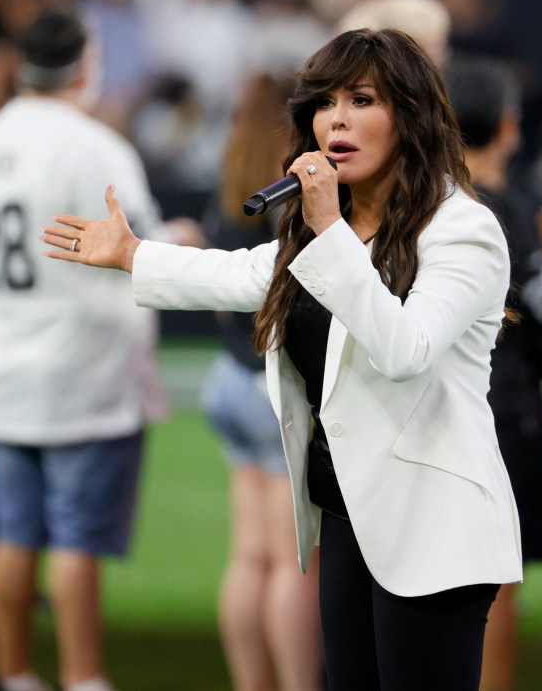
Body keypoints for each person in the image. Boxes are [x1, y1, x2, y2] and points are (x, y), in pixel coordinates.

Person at [44, 28, 523, 691]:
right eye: (325, 103)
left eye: (362, 99)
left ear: (411, 115)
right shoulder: (338, 227)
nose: (337, 119)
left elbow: (404, 348)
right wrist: (132, 254)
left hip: (433, 526)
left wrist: (328, 231)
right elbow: (244, 274)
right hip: (350, 515)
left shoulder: (462, 229)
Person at [0, 7, 196, 691]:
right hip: (81, 363)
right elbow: (144, 246)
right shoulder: (92, 145)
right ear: (84, 66)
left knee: (13, 536)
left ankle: (12, 671)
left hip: (3, 359)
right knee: (74, 539)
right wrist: (186, 238)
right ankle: (84, 676)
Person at [445, 56, 542, 691]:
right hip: (503, 404)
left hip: (440, 398)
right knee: (497, 575)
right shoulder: (503, 208)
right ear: (508, 126)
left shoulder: (435, 199)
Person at [198, 71, 322, 691]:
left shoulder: (229, 186)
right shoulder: (293, 191)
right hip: (269, 384)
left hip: (226, 378)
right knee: (293, 562)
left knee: (250, 556)